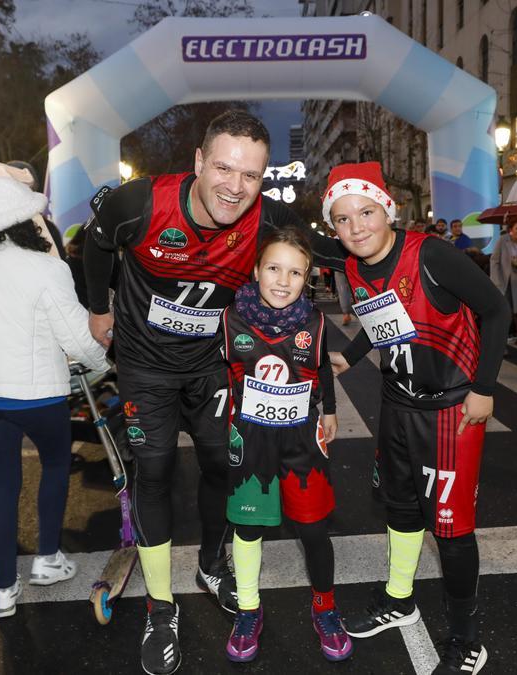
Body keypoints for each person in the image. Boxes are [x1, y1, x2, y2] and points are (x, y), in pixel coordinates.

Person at [82, 110, 345, 675]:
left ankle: (209, 563)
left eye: (251, 175)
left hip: (213, 365)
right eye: (224, 168)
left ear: (264, 177)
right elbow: (96, 243)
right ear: (199, 162)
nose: (235, 186)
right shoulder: (142, 203)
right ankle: (159, 607)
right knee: (152, 472)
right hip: (146, 366)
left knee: (220, 468)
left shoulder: (268, 217)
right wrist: (99, 307)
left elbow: (333, 252)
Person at [325, 161, 508, 675]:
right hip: (398, 403)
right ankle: (399, 598)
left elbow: (496, 311)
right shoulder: (356, 265)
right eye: (342, 219)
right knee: (400, 508)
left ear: (388, 210)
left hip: (452, 409)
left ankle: (468, 639)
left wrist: (484, 389)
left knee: (450, 529)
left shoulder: (431, 254)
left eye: (365, 212)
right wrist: (352, 357)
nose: (356, 226)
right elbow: (385, 317)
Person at [0, 153, 108, 619]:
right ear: (27, 222)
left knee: (0, 484)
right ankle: (47, 559)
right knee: (56, 465)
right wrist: (98, 362)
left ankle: (2, 591)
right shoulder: (45, 268)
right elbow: (78, 335)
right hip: (36, 393)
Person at [218, 229, 350, 663]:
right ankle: (248, 609)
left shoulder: (314, 320)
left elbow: (324, 369)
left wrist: (329, 409)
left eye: (295, 272)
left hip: (301, 443)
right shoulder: (229, 318)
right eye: (273, 268)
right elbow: (207, 373)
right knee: (249, 529)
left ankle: (325, 608)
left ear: (307, 277)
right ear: (256, 270)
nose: (282, 279)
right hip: (251, 442)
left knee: (313, 529)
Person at [489, 217, 517, 345]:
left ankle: (507, 339)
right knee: (504, 313)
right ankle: (499, 343)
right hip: (503, 282)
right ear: (511, 230)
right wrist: (496, 281)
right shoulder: (503, 240)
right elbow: (494, 260)